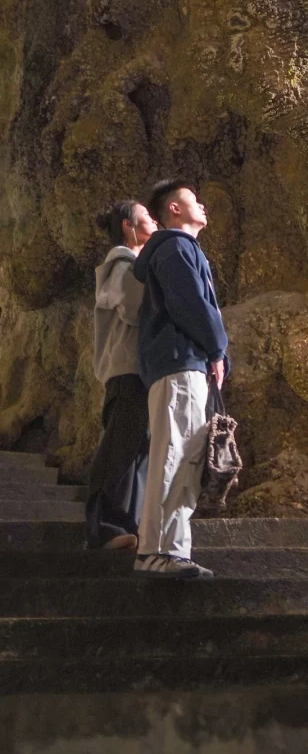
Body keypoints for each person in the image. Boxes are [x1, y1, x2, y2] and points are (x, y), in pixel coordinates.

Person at [133, 179, 228, 579]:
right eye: (194, 200)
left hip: (180, 362)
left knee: (182, 455)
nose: (202, 205)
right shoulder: (175, 248)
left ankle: (169, 549)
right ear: (173, 209)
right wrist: (216, 347)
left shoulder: (179, 249)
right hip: (179, 362)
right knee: (174, 456)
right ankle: (158, 552)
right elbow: (189, 302)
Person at [85, 199, 157, 551]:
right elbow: (131, 307)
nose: (155, 222)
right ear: (129, 226)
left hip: (135, 368)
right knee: (122, 446)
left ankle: (126, 525)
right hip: (127, 369)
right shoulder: (122, 262)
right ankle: (106, 527)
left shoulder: (128, 263)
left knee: (136, 446)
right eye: (147, 217)